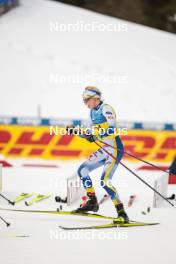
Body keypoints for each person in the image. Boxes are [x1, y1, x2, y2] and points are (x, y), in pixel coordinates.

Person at [67, 86, 129, 223]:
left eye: (86, 100)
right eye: (84, 101)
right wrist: (76, 131)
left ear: (95, 99)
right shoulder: (92, 113)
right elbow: (90, 134)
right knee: (82, 170)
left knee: (105, 181)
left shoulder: (106, 109)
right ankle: (92, 202)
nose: (85, 104)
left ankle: (122, 213)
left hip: (115, 149)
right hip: (105, 148)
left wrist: (95, 137)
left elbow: (113, 130)